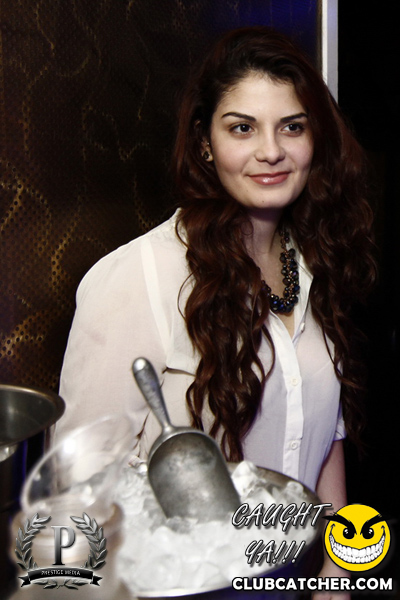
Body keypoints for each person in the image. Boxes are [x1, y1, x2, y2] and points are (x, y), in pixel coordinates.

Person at [57, 27, 376, 597]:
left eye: (292, 127)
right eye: (242, 128)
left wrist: (337, 577)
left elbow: (324, 438)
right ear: (206, 143)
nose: (270, 151)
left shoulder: (314, 263)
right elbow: (78, 486)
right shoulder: (138, 277)